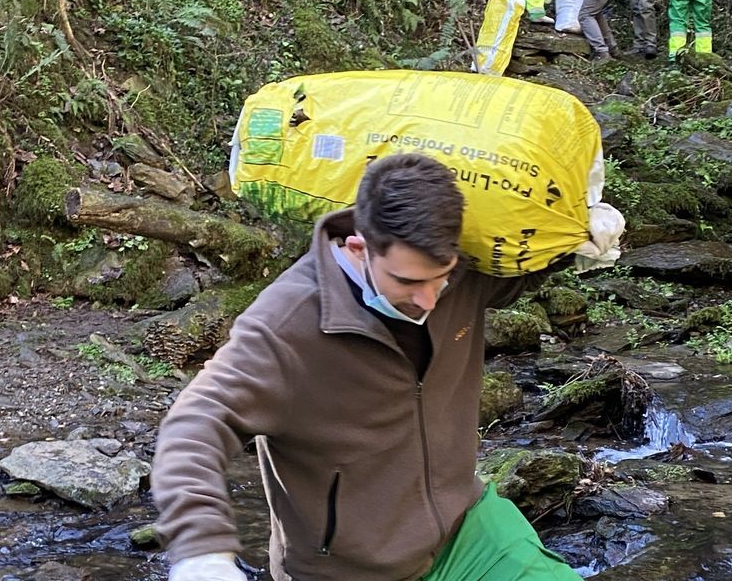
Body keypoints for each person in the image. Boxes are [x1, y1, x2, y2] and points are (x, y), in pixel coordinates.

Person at [150, 154, 582, 581]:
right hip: (349, 571)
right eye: (408, 282)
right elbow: (196, 425)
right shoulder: (285, 325)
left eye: (442, 277)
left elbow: (513, 277)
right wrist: (201, 550)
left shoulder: (450, 267)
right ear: (358, 248)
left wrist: (574, 244)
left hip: (466, 527)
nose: (430, 300)